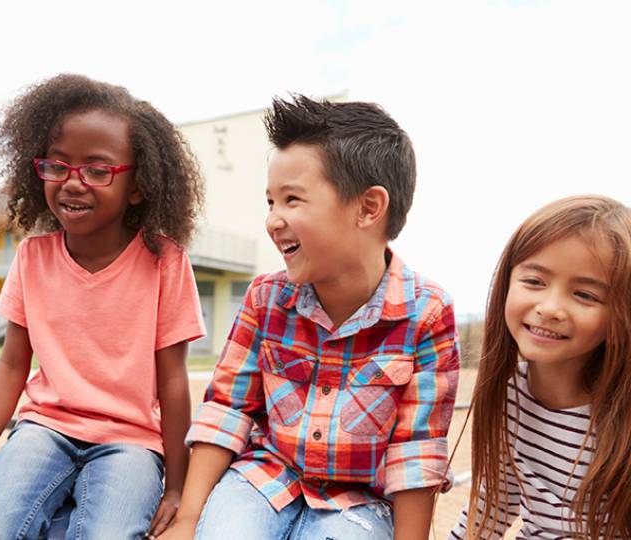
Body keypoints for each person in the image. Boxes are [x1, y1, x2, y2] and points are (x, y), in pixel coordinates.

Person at [0, 73, 207, 539]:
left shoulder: (165, 262)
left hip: (131, 442)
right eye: (58, 166)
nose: (73, 182)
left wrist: (178, 487)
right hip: (45, 428)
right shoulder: (33, 256)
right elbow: (11, 366)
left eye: (97, 169)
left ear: (138, 185)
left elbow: (172, 379)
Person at [160, 95, 460, 540]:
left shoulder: (427, 314)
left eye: (292, 200)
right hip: (261, 480)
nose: (273, 220)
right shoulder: (266, 297)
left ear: (369, 207)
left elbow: (416, 454)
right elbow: (227, 407)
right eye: (270, 202)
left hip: (359, 503)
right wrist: (188, 520)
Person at [450, 195, 631, 539]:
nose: (550, 308)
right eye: (535, 282)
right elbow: (493, 508)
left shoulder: (621, 411)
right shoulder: (510, 394)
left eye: (585, 295)